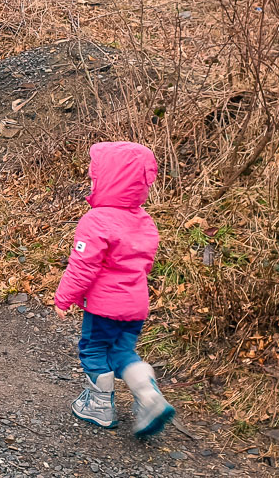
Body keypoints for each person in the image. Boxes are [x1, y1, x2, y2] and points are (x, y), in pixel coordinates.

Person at [53, 141, 175, 437]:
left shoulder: (96, 221)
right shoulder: (144, 220)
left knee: (94, 349)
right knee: (121, 352)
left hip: (104, 307)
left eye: (95, 178)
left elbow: (83, 267)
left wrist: (64, 298)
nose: (92, 182)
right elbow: (145, 265)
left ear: (108, 180)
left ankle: (99, 406)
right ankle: (149, 396)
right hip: (136, 305)